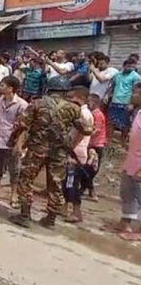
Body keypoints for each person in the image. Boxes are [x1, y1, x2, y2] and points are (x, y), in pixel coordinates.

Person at [8, 76, 92, 228]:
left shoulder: (37, 103)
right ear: (66, 90)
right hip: (59, 153)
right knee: (55, 184)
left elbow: (21, 124)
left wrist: (14, 140)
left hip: (36, 149)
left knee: (26, 180)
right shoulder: (73, 108)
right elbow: (86, 130)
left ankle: (25, 214)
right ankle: (50, 219)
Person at [111, 83, 141, 240]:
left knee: (140, 195)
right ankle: (125, 223)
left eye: (137, 93)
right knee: (127, 192)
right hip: (132, 160)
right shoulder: (138, 112)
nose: (133, 95)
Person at [0, 76, 27, 201]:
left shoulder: (21, 105)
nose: (0, 88)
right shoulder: (0, 101)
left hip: (13, 140)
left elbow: (24, 125)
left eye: (2, 85)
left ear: (11, 88)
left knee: (14, 169)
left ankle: (14, 195)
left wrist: (19, 144)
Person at [62, 86, 93, 222]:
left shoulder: (84, 114)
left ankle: (76, 212)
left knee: (71, 183)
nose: (69, 100)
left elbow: (81, 134)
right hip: (74, 150)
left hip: (76, 152)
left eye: (71, 97)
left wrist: (70, 149)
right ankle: (64, 207)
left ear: (81, 98)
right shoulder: (79, 112)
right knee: (66, 182)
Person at [107, 59, 141, 141]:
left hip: (126, 102)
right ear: (124, 66)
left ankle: (122, 140)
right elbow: (112, 86)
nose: (131, 68)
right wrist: (107, 95)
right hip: (115, 101)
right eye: (129, 66)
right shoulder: (117, 75)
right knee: (111, 121)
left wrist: (132, 103)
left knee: (125, 123)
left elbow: (136, 91)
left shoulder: (136, 77)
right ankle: (109, 139)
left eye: (133, 66)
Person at [86, 93, 106, 201]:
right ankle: (89, 191)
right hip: (94, 144)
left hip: (96, 145)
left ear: (93, 103)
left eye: (88, 102)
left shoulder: (97, 114)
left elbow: (97, 130)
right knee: (90, 169)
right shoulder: (96, 113)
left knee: (90, 169)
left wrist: (84, 134)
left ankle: (91, 192)